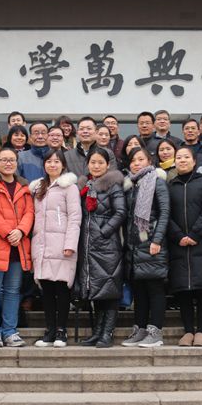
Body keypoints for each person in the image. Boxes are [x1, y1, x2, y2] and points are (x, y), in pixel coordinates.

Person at [0, 147, 35, 348]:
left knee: (13, 291)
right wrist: (8, 232)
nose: (8, 163)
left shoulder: (23, 185)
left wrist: (20, 231)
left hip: (18, 245)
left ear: (16, 163)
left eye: (11, 159)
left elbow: (30, 212)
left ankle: (10, 331)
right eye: (3, 160)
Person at [167, 147, 202, 347]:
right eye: (179, 157)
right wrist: (179, 236)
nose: (182, 160)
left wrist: (195, 234)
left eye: (186, 157)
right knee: (183, 291)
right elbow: (165, 214)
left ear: (194, 161)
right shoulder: (171, 185)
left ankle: (201, 331)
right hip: (179, 245)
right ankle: (188, 330)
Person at [74, 148, 126, 348]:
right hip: (88, 246)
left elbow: (120, 212)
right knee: (96, 289)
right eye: (93, 162)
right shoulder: (84, 186)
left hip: (107, 246)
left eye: (100, 163)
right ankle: (97, 332)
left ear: (108, 165)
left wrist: (104, 232)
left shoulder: (113, 185)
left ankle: (107, 333)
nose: (96, 166)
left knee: (109, 291)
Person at [30, 150, 81, 348]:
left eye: (57, 161)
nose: (52, 164)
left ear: (63, 165)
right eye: (49, 161)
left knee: (61, 288)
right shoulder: (38, 188)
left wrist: (70, 244)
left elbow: (75, 218)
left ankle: (61, 330)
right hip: (42, 246)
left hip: (61, 246)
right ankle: (50, 330)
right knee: (47, 290)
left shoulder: (69, 187)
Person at [121, 147, 170, 348]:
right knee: (139, 290)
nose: (136, 163)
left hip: (151, 243)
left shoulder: (157, 181)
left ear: (149, 161)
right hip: (134, 246)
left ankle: (155, 332)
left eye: (141, 159)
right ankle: (140, 330)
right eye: (133, 160)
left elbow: (165, 212)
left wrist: (156, 240)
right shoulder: (131, 185)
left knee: (155, 289)